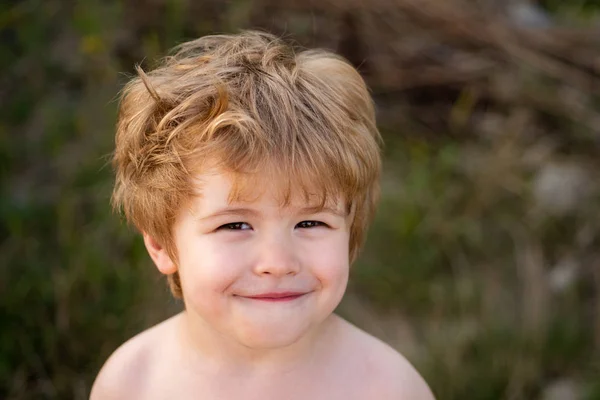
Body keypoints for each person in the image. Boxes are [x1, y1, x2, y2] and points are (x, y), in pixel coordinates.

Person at [91, 30, 434, 400]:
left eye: (311, 222)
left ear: (350, 233)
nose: (277, 262)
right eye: (235, 224)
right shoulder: (133, 382)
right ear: (161, 244)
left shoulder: (389, 388)